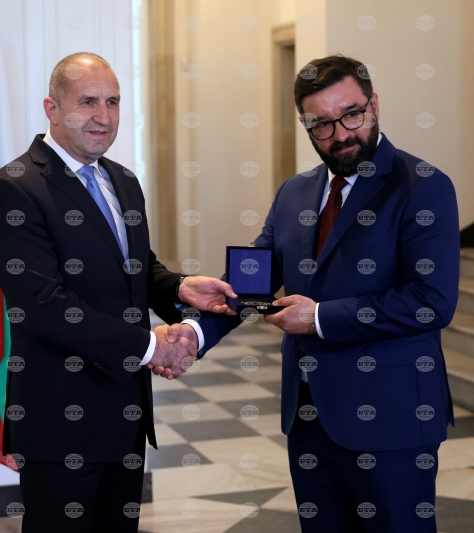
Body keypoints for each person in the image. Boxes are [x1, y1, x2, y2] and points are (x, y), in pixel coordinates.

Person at [163, 55, 460, 531]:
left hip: (393, 418)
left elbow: (431, 302)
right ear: (306, 126)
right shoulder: (294, 193)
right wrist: (192, 335)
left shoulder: (422, 186)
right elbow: (253, 283)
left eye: (351, 114)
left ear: (374, 106)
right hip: (309, 418)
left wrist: (319, 318)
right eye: (321, 123)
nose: (340, 133)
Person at [0, 52, 236, 532]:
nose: (103, 116)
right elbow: (43, 305)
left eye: (113, 102)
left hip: (125, 414)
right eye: (88, 102)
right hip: (60, 423)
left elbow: (136, 270)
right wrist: (152, 346)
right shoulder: (12, 189)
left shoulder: (123, 180)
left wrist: (180, 287)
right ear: (53, 109)